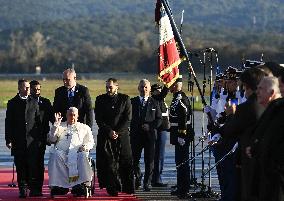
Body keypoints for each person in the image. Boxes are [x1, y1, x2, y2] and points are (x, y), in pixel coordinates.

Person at [215, 68, 266, 201]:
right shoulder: (267, 104)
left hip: (247, 157)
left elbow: (229, 130)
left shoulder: (247, 106)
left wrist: (230, 115)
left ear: (246, 86)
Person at [95, 78, 134, 196]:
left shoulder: (125, 99)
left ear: (117, 86)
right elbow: (99, 119)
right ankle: (112, 188)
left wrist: (117, 131)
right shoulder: (100, 99)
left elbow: (127, 118)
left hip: (122, 135)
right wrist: (109, 131)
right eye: (106, 87)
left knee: (125, 161)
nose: (108, 89)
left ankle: (127, 187)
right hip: (106, 135)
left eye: (110, 87)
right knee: (108, 163)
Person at [247, 76, 284, 201]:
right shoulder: (272, 109)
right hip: (265, 176)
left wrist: (256, 147)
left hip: (275, 177)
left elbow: (272, 140)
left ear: (272, 92)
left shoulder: (278, 109)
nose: (257, 92)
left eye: (261, 89)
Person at [5, 79, 42, 198]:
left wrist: (39, 138)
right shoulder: (12, 103)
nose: (28, 90)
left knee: (32, 165)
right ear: (19, 88)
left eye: (28, 88)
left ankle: (32, 188)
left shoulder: (34, 102)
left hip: (32, 141)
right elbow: (8, 123)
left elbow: (38, 122)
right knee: (20, 166)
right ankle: (22, 188)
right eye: (25, 88)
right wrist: (8, 139)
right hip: (18, 141)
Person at [48, 107, 94, 197]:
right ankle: (60, 186)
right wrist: (55, 125)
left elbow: (90, 142)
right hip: (63, 155)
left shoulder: (85, 127)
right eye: (70, 115)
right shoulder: (60, 126)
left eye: (74, 115)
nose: (72, 117)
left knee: (83, 155)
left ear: (77, 116)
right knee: (55, 154)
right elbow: (52, 139)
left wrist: (85, 147)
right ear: (66, 115)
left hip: (78, 154)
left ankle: (81, 185)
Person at [130, 79, 162, 192]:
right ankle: (138, 177)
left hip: (150, 136)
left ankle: (147, 183)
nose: (144, 89)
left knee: (149, 161)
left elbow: (159, 119)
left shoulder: (155, 102)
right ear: (138, 88)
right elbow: (127, 118)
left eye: (146, 87)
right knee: (134, 160)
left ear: (149, 89)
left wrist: (150, 126)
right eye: (142, 87)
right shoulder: (132, 102)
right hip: (135, 136)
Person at [28, 80, 55, 196]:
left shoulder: (45, 102)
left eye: (39, 89)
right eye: (34, 89)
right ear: (30, 90)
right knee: (31, 163)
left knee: (39, 164)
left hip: (41, 139)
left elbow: (52, 118)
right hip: (29, 139)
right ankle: (30, 187)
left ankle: (38, 188)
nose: (37, 91)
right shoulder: (26, 102)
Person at [169, 76, 193, 199]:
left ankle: (184, 189)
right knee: (179, 162)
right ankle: (180, 186)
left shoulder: (180, 98)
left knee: (183, 162)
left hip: (181, 135)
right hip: (177, 134)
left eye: (173, 84)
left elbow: (183, 117)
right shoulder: (175, 98)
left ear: (178, 85)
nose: (171, 87)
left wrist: (181, 135)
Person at [150, 83, 170, 187]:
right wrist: (167, 84)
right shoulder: (155, 99)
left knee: (160, 155)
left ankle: (157, 178)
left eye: (160, 89)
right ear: (152, 92)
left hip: (163, 129)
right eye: (157, 90)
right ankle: (156, 179)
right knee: (158, 155)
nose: (159, 91)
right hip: (159, 130)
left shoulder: (160, 100)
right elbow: (163, 94)